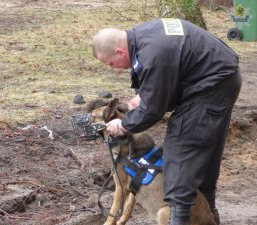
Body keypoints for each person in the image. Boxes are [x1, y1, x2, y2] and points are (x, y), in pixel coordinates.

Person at [92, 18, 241, 225]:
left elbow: (153, 111)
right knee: (204, 156)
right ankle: (209, 218)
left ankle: (178, 220)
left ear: (120, 52)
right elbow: (168, 74)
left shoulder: (152, 53)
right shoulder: (144, 37)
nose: (113, 68)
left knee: (179, 153)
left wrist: (123, 125)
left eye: (110, 64)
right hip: (220, 78)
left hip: (211, 87)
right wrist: (143, 96)